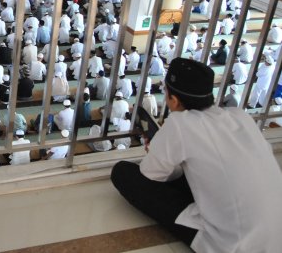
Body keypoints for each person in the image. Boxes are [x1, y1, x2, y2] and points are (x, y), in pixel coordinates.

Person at [111, 57, 282, 251]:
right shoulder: (239, 116)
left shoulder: (180, 124)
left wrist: (157, 150)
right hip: (277, 230)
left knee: (123, 173)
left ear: (173, 100)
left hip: (234, 243)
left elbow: (151, 174)